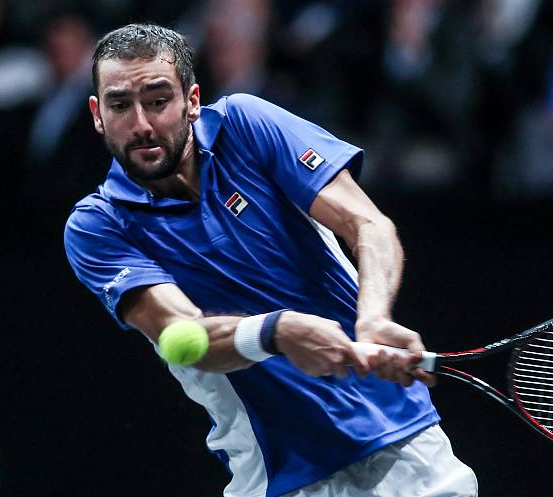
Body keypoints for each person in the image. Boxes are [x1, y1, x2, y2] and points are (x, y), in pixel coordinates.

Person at [63, 23, 477, 497]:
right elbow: (186, 335)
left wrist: (375, 317)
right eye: (120, 106)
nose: (140, 124)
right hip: (281, 477)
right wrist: (276, 332)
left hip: (405, 447)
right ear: (98, 114)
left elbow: (368, 225)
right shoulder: (98, 227)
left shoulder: (247, 123)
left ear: (192, 101)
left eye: (158, 101)